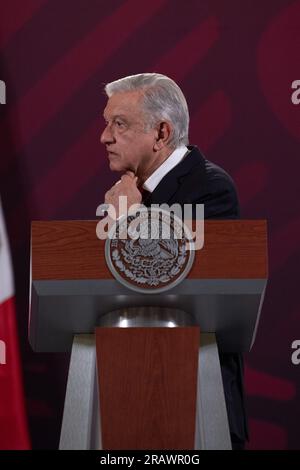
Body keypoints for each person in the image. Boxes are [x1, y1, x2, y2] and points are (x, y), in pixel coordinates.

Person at [100, 73, 248, 449]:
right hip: (127, 400)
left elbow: (176, 279)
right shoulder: (127, 194)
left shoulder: (211, 188)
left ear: (161, 133)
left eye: (119, 124)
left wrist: (129, 222)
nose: (105, 137)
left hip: (196, 405)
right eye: (107, 124)